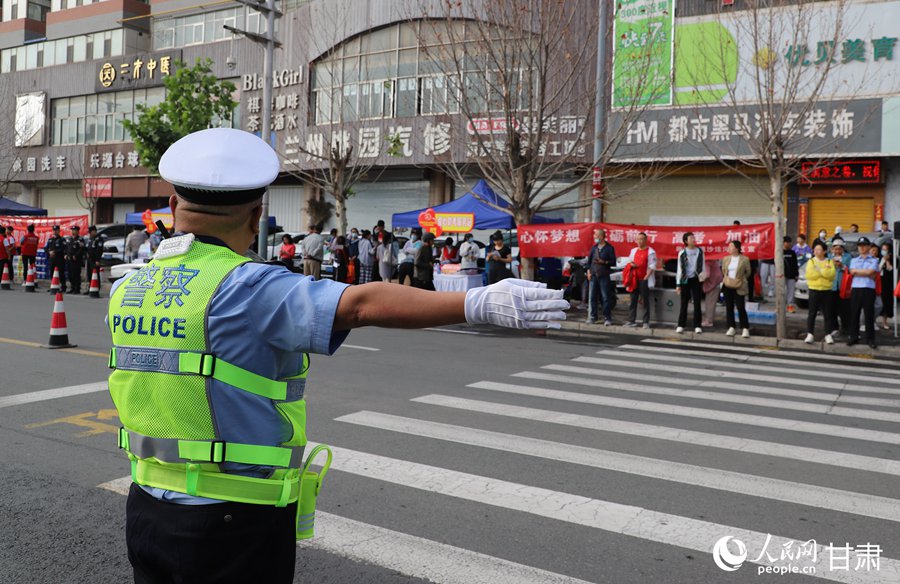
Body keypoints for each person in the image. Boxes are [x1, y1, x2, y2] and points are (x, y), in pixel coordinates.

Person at [107, 128, 568, 584]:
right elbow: (360, 304)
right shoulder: (248, 288)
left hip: (146, 506)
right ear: (256, 217)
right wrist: (475, 302)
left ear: (172, 207)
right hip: (231, 520)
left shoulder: (128, 287)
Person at [847, 237, 880, 348]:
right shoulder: (854, 260)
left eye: (864, 245)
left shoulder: (874, 260)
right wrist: (866, 273)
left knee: (869, 315)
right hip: (856, 289)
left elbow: (872, 272)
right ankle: (853, 337)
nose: (862, 247)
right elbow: (852, 272)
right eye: (860, 245)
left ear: (869, 247)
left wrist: (859, 272)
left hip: (869, 289)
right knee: (854, 314)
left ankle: (870, 339)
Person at [804, 242, 836, 344]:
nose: (817, 251)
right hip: (814, 290)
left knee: (828, 314)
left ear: (824, 251)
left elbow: (831, 275)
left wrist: (820, 271)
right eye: (815, 249)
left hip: (826, 291)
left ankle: (828, 334)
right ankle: (810, 334)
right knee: (812, 313)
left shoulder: (830, 261)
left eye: (819, 249)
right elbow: (810, 275)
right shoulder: (811, 261)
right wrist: (824, 271)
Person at [624, 232, 656, 329]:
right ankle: (631, 320)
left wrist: (646, 277)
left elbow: (652, 266)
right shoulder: (633, 251)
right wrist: (632, 265)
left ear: (646, 240)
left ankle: (645, 321)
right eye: (638, 239)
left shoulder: (650, 252)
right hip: (634, 279)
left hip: (644, 279)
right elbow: (629, 262)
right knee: (633, 300)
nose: (640, 241)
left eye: (642, 239)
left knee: (645, 301)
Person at [675, 232, 705, 334]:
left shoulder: (699, 251)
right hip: (685, 279)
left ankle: (697, 325)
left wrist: (702, 278)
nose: (693, 239)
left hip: (696, 279)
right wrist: (678, 284)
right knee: (684, 303)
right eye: (691, 238)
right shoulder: (682, 253)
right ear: (686, 241)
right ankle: (681, 325)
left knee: (697, 302)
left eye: (693, 237)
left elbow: (703, 266)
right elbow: (679, 269)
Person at [586, 228, 616, 326]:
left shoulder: (609, 248)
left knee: (605, 297)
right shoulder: (594, 248)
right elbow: (589, 262)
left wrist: (604, 262)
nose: (595, 237)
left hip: (604, 275)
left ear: (602, 236)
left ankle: (607, 317)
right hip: (594, 275)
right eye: (595, 235)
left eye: (597, 235)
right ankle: (593, 317)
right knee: (593, 297)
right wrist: (588, 272)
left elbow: (613, 262)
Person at [721, 240, 751, 338]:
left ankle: (745, 328)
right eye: (729, 246)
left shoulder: (744, 259)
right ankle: (731, 327)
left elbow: (748, 272)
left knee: (740, 307)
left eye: (731, 246)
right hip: (728, 285)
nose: (729, 248)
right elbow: (724, 270)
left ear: (737, 248)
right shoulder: (726, 259)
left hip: (739, 285)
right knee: (729, 307)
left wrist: (741, 279)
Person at [829, 238, 852, 338]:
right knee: (832, 309)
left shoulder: (848, 257)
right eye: (835, 249)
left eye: (839, 249)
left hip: (844, 286)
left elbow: (851, 270)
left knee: (844, 309)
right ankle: (834, 328)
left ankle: (846, 328)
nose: (837, 251)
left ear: (843, 249)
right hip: (832, 286)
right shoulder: (829, 257)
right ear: (832, 249)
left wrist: (842, 266)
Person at [701, 257, 723, 329]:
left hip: (713, 284)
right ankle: (708, 319)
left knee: (710, 303)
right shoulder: (712, 260)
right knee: (710, 302)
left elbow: (707, 274)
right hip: (715, 283)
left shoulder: (707, 261)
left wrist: (699, 278)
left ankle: (709, 321)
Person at [65, 225, 86, 294]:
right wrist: (66, 254)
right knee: (70, 274)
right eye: (72, 230)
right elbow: (67, 248)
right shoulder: (70, 239)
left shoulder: (80, 240)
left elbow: (81, 249)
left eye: (74, 230)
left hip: (76, 260)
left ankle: (77, 288)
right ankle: (72, 287)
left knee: (76, 274)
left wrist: (76, 255)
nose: (73, 231)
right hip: (69, 259)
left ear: (77, 231)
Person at [45, 224, 67, 291]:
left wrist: (54, 252)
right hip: (52, 259)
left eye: (56, 230)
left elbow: (63, 248)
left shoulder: (62, 239)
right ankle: (53, 286)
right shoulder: (50, 240)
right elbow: (45, 248)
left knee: (61, 272)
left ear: (59, 231)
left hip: (59, 259)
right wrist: (49, 252)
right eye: (54, 230)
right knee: (51, 272)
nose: (55, 232)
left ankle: (63, 286)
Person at [783, 236, 800, 313]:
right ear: (784, 243)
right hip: (782, 276)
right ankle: (780, 306)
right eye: (788, 242)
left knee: (791, 292)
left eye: (790, 242)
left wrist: (796, 274)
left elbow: (795, 264)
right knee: (782, 292)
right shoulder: (779, 252)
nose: (790, 244)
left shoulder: (792, 253)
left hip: (791, 275)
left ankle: (790, 306)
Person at [880, 243, 894, 330]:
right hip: (879, 282)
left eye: (885, 249)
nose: (883, 251)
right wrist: (883, 261)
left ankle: (884, 321)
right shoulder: (878, 258)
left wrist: (887, 261)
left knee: (886, 302)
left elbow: (891, 270)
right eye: (882, 249)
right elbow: (878, 269)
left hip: (887, 284)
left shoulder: (893, 259)